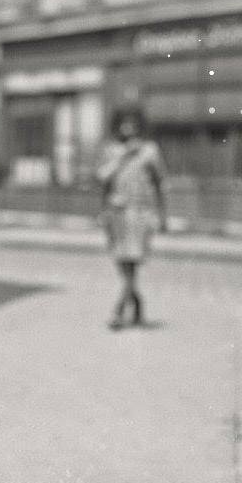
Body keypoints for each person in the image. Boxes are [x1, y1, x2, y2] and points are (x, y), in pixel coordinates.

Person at [96, 107, 167, 330]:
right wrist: (124, 156)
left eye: (133, 122)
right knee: (121, 262)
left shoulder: (150, 151)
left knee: (133, 261)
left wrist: (163, 215)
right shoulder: (111, 150)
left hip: (140, 213)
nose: (128, 127)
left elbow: (160, 183)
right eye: (123, 122)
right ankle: (138, 306)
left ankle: (118, 311)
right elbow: (103, 179)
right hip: (116, 213)